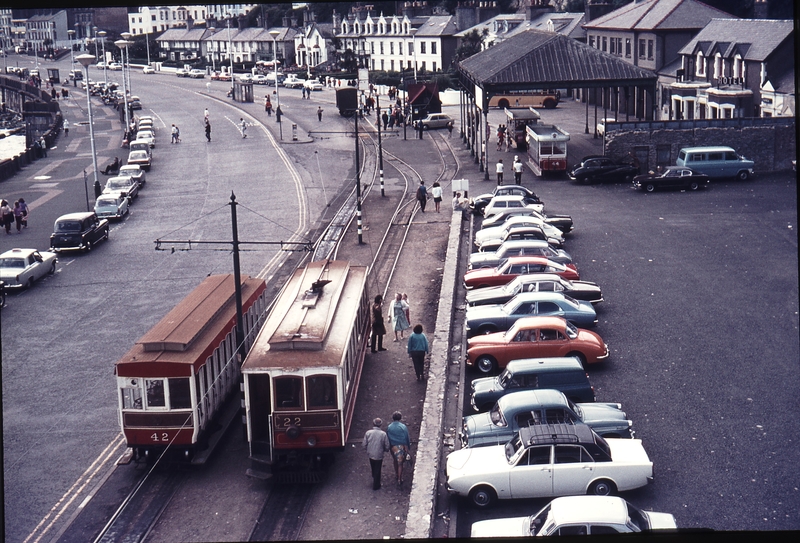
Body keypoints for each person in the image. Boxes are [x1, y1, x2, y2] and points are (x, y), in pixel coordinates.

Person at [363, 418, 390, 490]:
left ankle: (374, 476)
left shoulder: (368, 433)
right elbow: (387, 445)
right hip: (379, 453)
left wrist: (366, 449)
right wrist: (386, 450)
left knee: (373, 465)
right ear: (380, 425)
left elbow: (364, 444)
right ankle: (376, 484)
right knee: (378, 468)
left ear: (373, 423)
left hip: (370, 453)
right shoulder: (383, 434)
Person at [387, 411, 411, 486]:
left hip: (393, 446)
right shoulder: (403, 427)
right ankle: (400, 478)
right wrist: (407, 447)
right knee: (400, 463)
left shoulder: (389, 427)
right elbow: (407, 437)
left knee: (395, 460)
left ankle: (396, 474)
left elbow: (387, 437)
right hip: (401, 446)